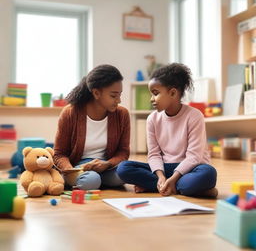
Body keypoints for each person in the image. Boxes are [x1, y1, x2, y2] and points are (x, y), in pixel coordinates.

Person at [117, 63, 217, 197]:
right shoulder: (152, 119)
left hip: (192, 168)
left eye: (155, 93)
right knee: (123, 168)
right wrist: (161, 177)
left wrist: (173, 178)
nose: (151, 99)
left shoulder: (194, 115)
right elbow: (153, 154)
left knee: (208, 173)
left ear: (173, 93)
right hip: (165, 168)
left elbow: (194, 157)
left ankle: (163, 186)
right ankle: (181, 188)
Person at [53, 64, 130, 190]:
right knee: (92, 180)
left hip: (107, 166)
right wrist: (70, 171)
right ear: (96, 93)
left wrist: (107, 163)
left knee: (125, 173)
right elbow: (59, 154)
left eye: (120, 95)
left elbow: (123, 151)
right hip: (79, 167)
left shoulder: (122, 114)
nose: (119, 100)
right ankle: (88, 180)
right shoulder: (70, 113)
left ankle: (94, 181)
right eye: (113, 95)